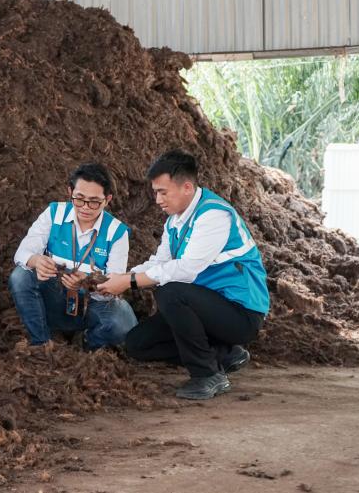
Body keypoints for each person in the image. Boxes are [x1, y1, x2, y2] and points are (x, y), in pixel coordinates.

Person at [97, 149, 269, 399]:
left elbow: (186, 270)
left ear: (187, 187)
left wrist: (129, 282)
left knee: (170, 291)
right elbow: (159, 262)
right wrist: (116, 278)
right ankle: (225, 354)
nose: (157, 200)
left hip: (241, 313)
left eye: (162, 192)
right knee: (138, 344)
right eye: (156, 192)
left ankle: (208, 375)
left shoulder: (213, 215)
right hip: (206, 309)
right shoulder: (175, 221)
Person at [9, 162, 138, 351]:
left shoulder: (116, 232)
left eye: (94, 202)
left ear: (107, 199)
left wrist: (86, 283)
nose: (85, 207)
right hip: (56, 297)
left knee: (122, 322)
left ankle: (88, 344)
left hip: (91, 306)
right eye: (79, 199)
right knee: (20, 276)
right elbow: (23, 252)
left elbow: (114, 285)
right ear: (70, 192)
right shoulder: (54, 214)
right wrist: (37, 261)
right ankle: (42, 342)